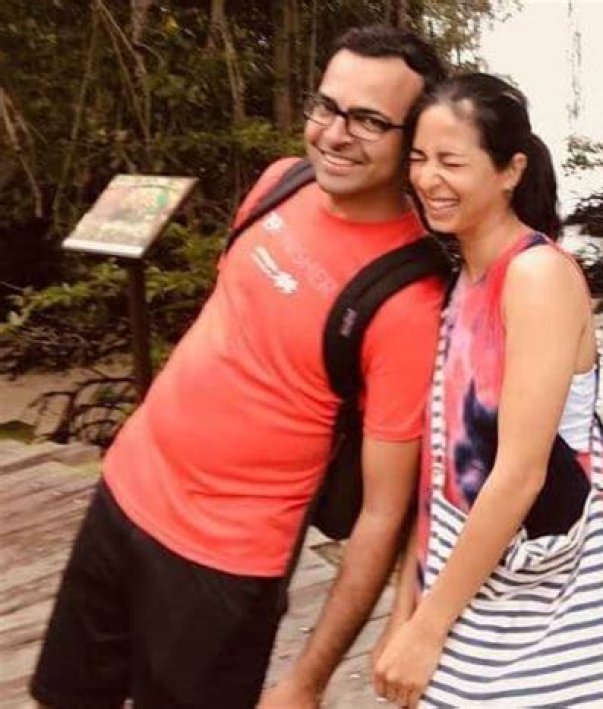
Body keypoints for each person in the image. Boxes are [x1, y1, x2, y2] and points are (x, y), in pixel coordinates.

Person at [30, 26, 447, 709]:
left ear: (413, 141)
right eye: (327, 107)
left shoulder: (410, 300)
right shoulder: (279, 182)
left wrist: (307, 681)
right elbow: (229, 327)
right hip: (124, 493)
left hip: (224, 564)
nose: (335, 134)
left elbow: (382, 513)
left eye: (369, 120)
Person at [373, 73, 603, 707]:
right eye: (418, 158)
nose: (428, 178)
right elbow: (440, 464)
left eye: (451, 162)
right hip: (467, 570)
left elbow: (521, 473)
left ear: (509, 171)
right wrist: (407, 608)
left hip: (548, 592)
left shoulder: (535, 277)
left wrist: (427, 628)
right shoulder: (464, 279)